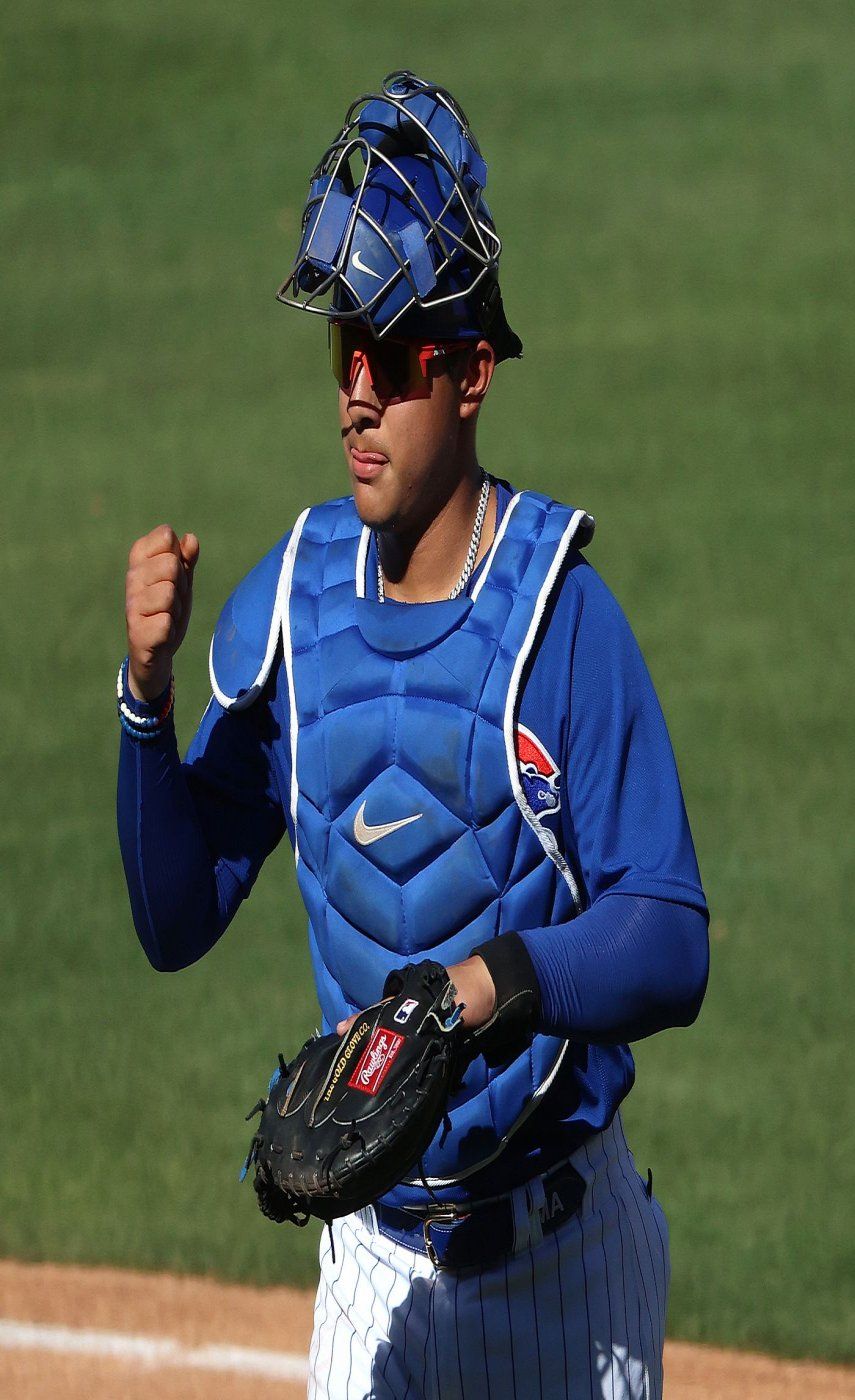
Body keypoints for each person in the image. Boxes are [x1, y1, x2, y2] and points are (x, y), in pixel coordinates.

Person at [117, 71, 709, 1400]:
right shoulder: (293, 603)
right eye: (344, 353)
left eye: (391, 353)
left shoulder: (563, 618)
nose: (358, 394)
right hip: (372, 1281)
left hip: (567, 1285)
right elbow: (176, 912)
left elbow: (670, 935)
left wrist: (492, 980)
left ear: (472, 373)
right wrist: (144, 705)